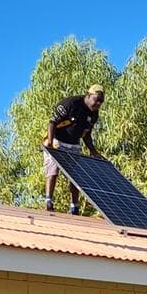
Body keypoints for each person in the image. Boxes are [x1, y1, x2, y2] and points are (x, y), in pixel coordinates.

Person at [43, 85, 105, 214]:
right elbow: (52, 122)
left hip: (74, 145)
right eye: (96, 99)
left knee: (75, 176)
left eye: (101, 101)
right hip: (56, 141)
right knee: (53, 170)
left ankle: (74, 206)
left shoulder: (94, 113)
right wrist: (50, 142)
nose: (98, 103)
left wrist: (94, 152)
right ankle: (48, 201)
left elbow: (87, 135)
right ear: (88, 95)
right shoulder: (70, 104)